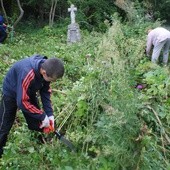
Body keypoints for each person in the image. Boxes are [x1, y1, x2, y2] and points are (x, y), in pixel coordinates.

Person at [0, 54, 64, 157]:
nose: (53, 82)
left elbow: (45, 92)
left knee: (37, 120)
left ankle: (40, 143)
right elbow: (22, 102)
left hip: (28, 90)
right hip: (11, 92)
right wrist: (43, 116)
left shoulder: (46, 68)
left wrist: (49, 114)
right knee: (4, 125)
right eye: (53, 79)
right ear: (44, 73)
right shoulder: (27, 72)